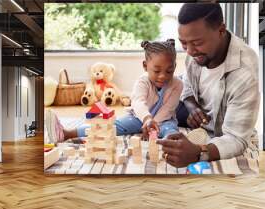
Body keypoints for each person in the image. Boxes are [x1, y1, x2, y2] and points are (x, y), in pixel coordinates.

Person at [157, 3, 260, 168]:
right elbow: (188, 85)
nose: (189, 51)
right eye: (184, 43)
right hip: (196, 118)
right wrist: (193, 107)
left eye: (196, 43)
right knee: (156, 101)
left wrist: (199, 152)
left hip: (219, 129)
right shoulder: (195, 53)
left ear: (221, 30)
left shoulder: (244, 71)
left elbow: (236, 138)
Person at [45, 39, 183, 143]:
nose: (163, 76)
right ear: (145, 66)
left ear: (175, 67)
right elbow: (138, 102)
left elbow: (168, 109)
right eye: (157, 71)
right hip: (138, 117)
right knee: (112, 127)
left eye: (169, 71)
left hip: (164, 120)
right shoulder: (143, 82)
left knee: (171, 129)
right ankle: (67, 133)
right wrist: (147, 119)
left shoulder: (177, 84)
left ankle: (167, 142)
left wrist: (152, 127)